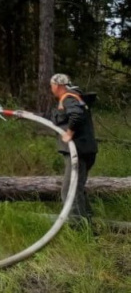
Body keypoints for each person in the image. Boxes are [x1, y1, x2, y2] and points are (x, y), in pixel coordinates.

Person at [49, 73, 98, 223]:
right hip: (84, 150)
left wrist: (69, 133)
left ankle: (79, 229)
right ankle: (88, 224)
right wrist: (27, 114)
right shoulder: (72, 98)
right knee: (77, 189)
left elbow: (76, 115)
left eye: (52, 86)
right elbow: (58, 118)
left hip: (78, 152)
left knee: (69, 191)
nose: (51, 88)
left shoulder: (69, 98)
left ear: (57, 86)